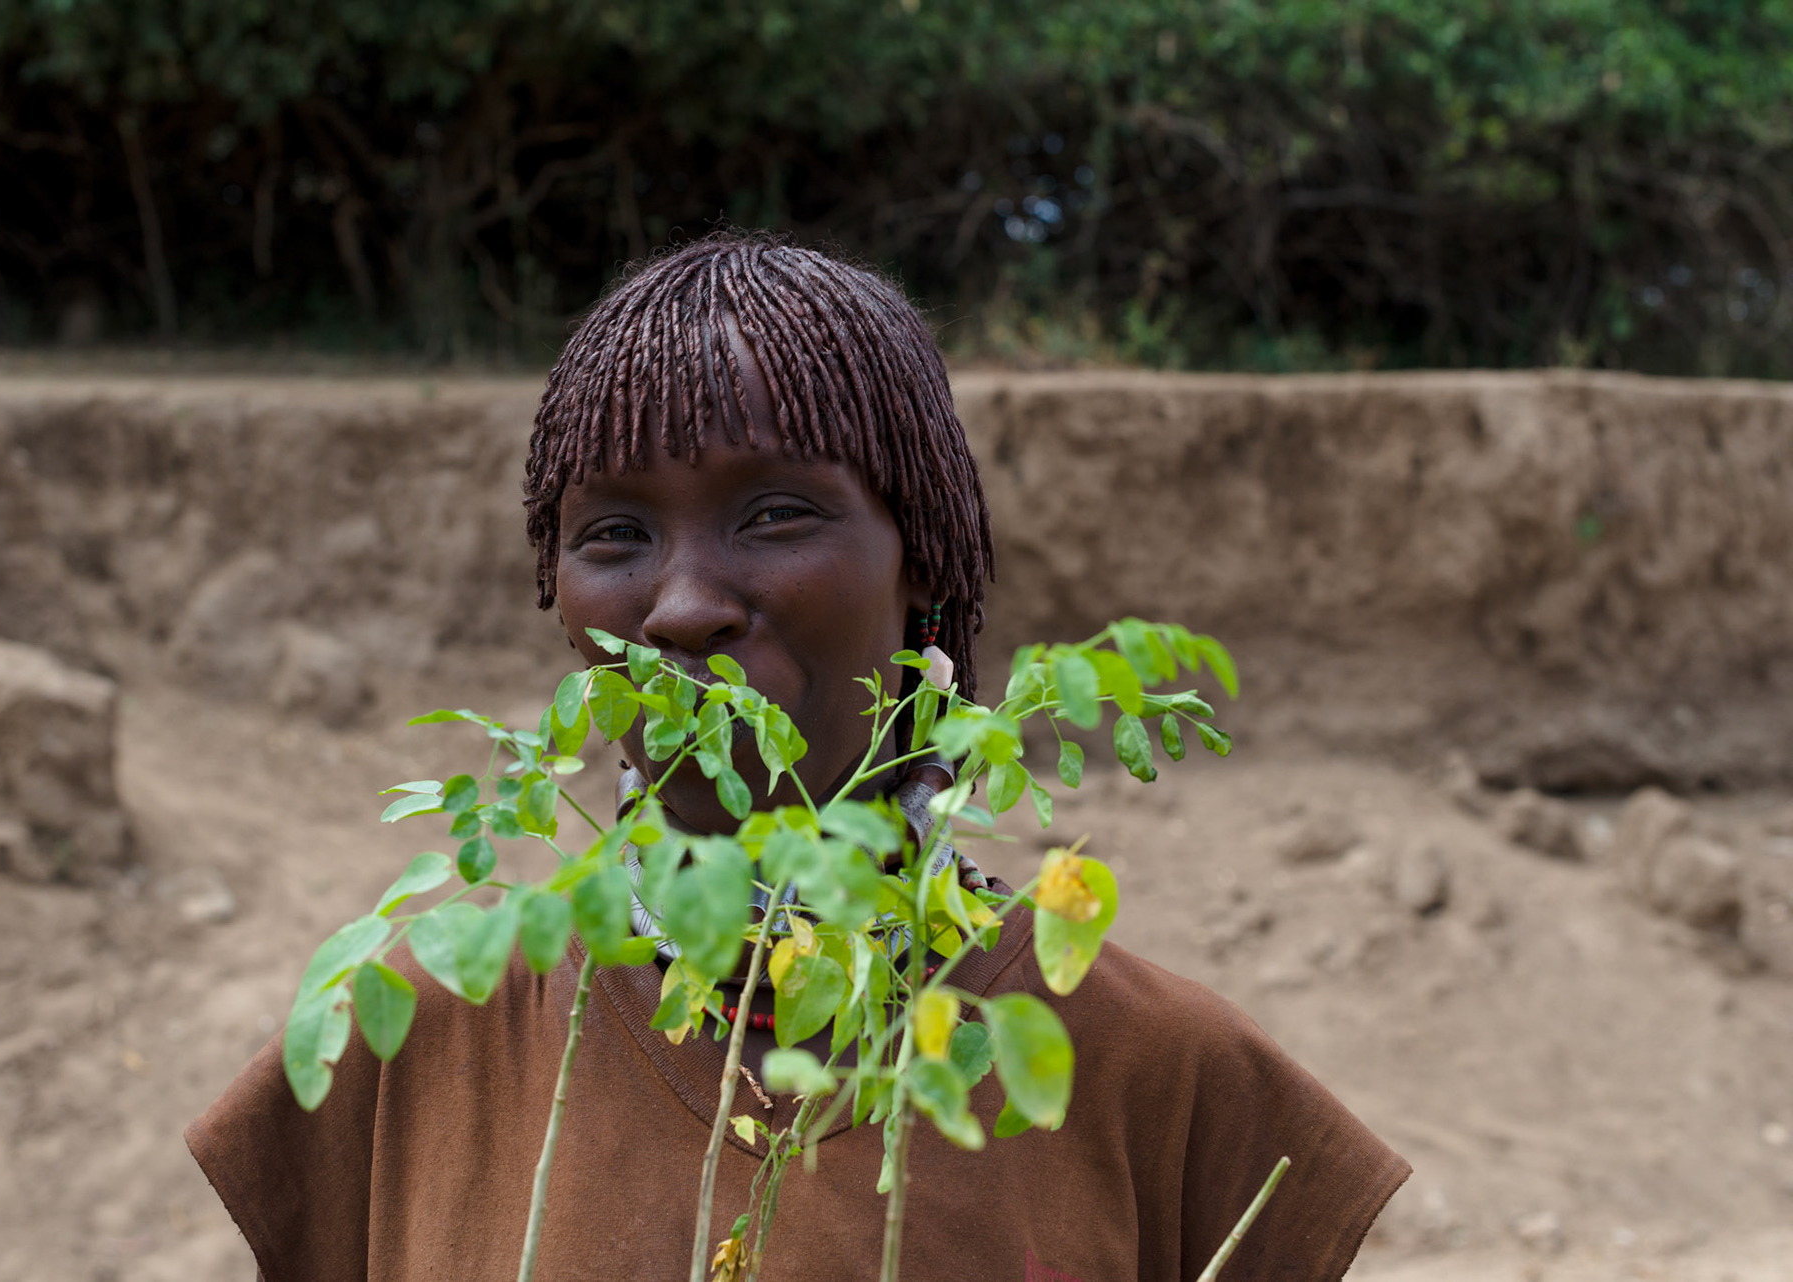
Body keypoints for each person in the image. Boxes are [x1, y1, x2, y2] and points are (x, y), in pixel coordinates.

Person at [187, 234, 1409, 1281]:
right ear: (558, 596)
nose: (678, 605)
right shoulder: (410, 1049)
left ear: (919, 550)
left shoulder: (1173, 1087)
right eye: (612, 534)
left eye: (774, 512)